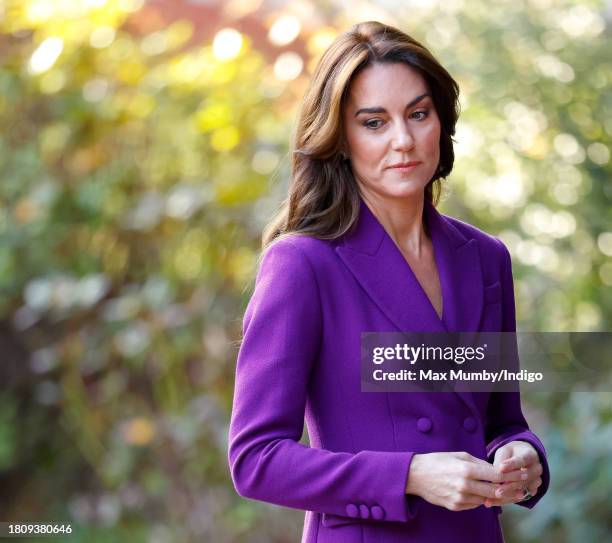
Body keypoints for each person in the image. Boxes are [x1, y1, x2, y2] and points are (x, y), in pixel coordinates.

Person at [227, 20, 549, 543]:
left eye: (418, 114)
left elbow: (500, 420)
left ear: (440, 121)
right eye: (374, 122)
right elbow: (256, 460)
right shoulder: (303, 264)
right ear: (340, 136)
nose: (403, 140)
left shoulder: (486, 259)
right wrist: (411, 475)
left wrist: (523, 455)